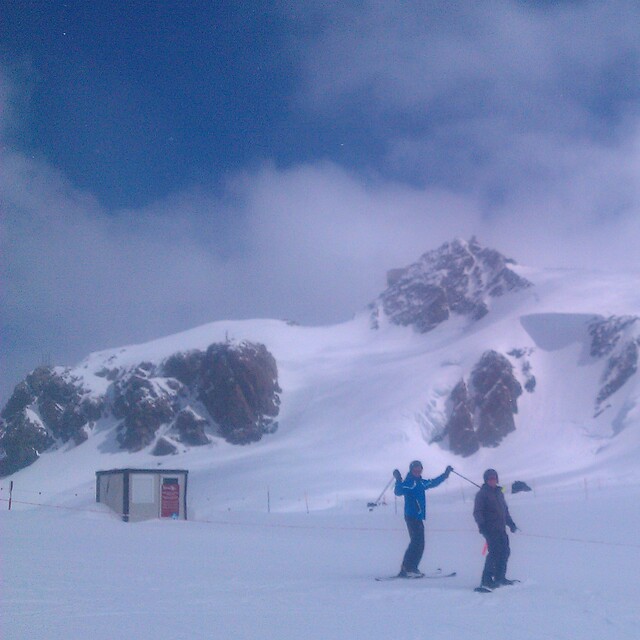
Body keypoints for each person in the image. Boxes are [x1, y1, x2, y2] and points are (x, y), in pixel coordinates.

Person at [392, 460, 453, 578]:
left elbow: (433, 482)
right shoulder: (409, 482)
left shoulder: (420, 482)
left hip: (418, 517)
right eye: (415, 470)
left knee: (419, 543)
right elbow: (398, 491)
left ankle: (412, 567)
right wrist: (398, 479)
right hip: (411, 516)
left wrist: (445, 474)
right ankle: (407, 568)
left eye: (419, 470)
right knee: (416, 542)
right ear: (411, 470)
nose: (417, 472)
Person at [473, 468, 518, 589]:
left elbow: (505, 511)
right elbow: (477, 512)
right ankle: (486, 580)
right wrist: (482, 525)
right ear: (486, 480)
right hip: (490, 529)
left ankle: (500, 577)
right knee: (494, 553)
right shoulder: (482, 494)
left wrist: (511, 524)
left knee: (505, 552)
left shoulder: (499, 493)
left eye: (494, 478)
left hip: (501, 528)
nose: (493, 480)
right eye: (490, 478)